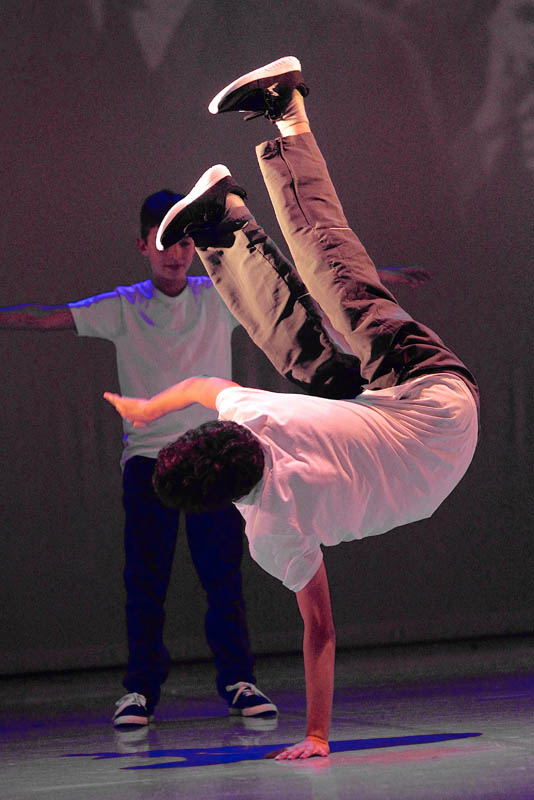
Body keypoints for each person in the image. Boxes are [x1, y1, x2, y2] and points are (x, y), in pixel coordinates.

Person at [104, 56, 479, 758]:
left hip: (428, 450)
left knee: (307, 356)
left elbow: (321, 630)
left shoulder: (271, 533)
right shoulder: (254, 417)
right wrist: (150, 411)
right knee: (330, 269)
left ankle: (222, 228)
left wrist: (317, 735)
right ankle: (287, 110)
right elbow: (200, 389)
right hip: (432, 397)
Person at [0, 189, 278, 727]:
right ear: (143, 246)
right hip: (150, 462)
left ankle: (239, 681)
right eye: (164, 243)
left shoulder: (217, 298)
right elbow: (44, 318)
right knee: (146, 581)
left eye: (185, 244)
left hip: (212, 457)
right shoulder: (125, 307)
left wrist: (370, 283)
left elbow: (292, 295)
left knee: (222, 576)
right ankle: (140, 690)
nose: (176, 255)